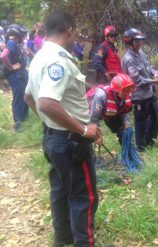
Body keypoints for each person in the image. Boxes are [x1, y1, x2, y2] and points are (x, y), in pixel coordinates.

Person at [24, 11, 100, 247]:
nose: (75, 35)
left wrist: (52, 123)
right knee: (83, 197)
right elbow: (46, 102)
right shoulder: (58, 60)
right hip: (71, 143)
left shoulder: (39, 57)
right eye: (75, 32)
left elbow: (29, 98)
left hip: (53, 138)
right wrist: (82, 129)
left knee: (59, 189)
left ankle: (62, 239)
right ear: (69, 29)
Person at [121, 28, 158, 151]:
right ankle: (141, 147)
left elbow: (149, 67)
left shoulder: (141, 53)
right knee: (141, 122)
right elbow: (137, 81)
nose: (140, 44)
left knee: (156, 117)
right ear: (129, 42)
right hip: (138, 96)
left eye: (140, 41)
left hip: (149, 93)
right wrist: (157, 82)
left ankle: (150, 141)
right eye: (137, 41)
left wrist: (156, 74)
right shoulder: (128, 59)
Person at [87, 73, 135, 145]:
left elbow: (124, 111)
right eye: (125, 89)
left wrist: (126, 124)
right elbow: (94, 116)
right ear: (116, 90)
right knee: (90, 137)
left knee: (124, 130)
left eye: (129, 89)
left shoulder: (126, 95)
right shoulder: (101, 95)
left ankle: (126, 148)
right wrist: (97, 135)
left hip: (111, 112)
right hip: (91, 112)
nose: (128, 92)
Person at [0, 23, 29, 131]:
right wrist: (11, 67)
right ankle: (18, 125)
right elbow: (3, 56)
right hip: (16, 76)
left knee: (24, 97)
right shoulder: (12, 42)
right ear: (17, 35)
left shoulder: (14, 43)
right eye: (23, 36)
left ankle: (24, 120)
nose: (24, 38)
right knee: (18, 99)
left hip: (20, 75)